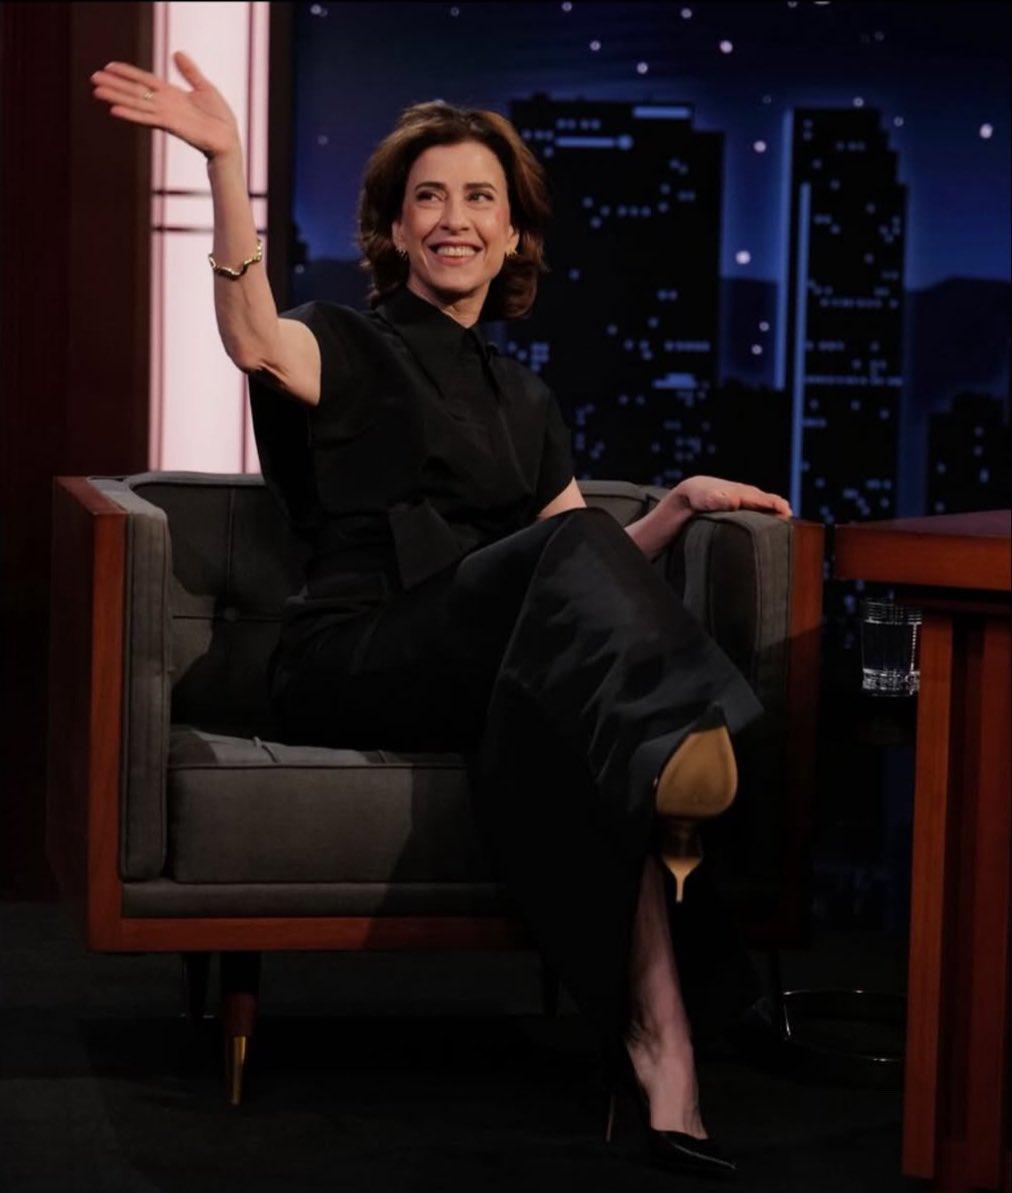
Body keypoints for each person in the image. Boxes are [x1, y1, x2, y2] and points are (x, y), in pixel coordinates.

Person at [91, 51, 793, 1179]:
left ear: (513, 237)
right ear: (395, 228)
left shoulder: (527, 397)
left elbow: (580, 569)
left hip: (480, 655)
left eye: (479, 198)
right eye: (428, 197)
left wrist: (673, 507)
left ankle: (665, 1050)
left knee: (590, 664)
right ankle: (685, 761)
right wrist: (225, 160)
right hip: (355, 651)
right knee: (588, 621)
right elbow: (254, 340)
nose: (453, 218)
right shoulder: (343, 338)